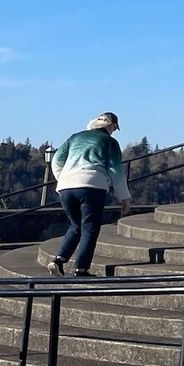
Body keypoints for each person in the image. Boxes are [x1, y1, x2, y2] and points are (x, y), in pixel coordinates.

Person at [47, 112, 131, 277]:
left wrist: (63, 178)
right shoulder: (110, 142)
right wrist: (124, 197)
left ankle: (58, 261)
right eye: (114, 128)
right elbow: (116, 170)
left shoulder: (75, 137)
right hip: (92, 186)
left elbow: (56, 160)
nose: (114, 132)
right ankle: (81, 268)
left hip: (66, 187)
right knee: (90, 228)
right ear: (111, 126)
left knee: (75, 225)